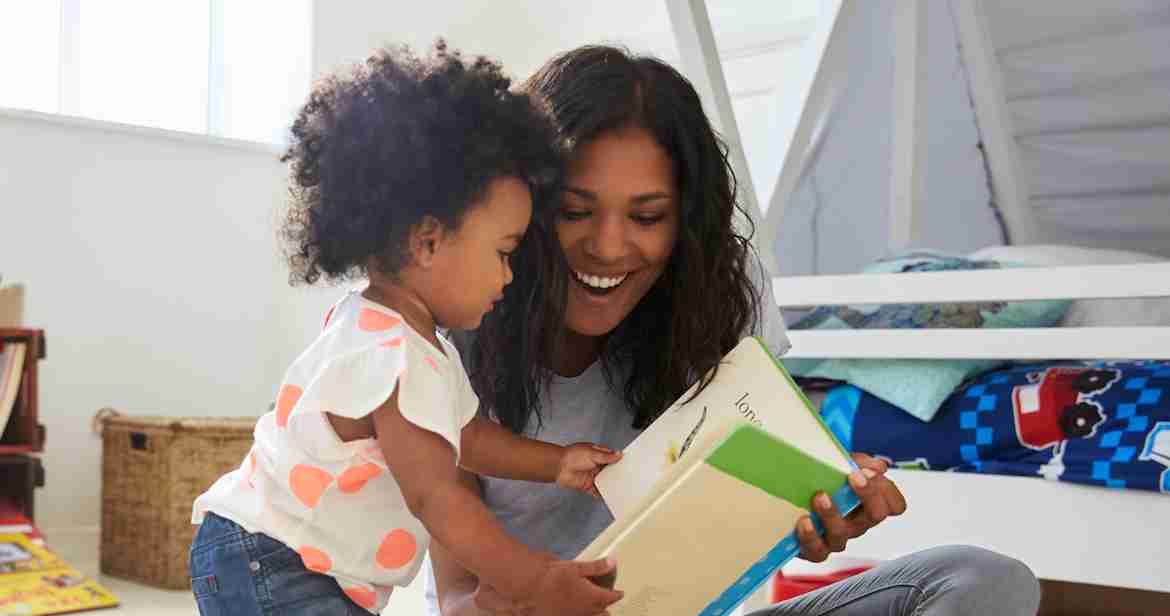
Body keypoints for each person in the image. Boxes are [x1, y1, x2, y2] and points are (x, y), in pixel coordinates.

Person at [426, 45, 1041, 616]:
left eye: (647, 216)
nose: (608, 247)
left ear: (685, 222)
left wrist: (805, 514)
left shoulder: (717, 291)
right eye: (574, 212)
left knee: (981, 581)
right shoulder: (453, 322)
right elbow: (455, 597)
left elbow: (739, 523)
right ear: (521, 210)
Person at [188, 43, 625, 616]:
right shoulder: (392, 356)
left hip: (281, 558)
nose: (509, 275)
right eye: (503, 252)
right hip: (277, 560)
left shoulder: (403, 340)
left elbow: (467, 439)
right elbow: (436, 496)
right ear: (427, 243)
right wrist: (532, 578)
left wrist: (556, 462)